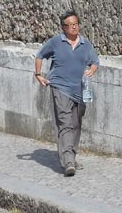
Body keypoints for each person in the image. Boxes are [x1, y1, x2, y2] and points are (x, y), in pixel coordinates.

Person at [34, 10, 99, 177]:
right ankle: (68, 161)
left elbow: (95, 61)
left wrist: (92, 70)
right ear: (63, 28)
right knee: (65, 123)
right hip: (60, 87)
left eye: (75, 24)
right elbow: (40, 55)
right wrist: (38, 75)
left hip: (79, 90)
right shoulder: (56, 42)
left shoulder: (85, 44)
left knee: (76, 125)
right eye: (70, 25)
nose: (73, 27)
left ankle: (71, 154)